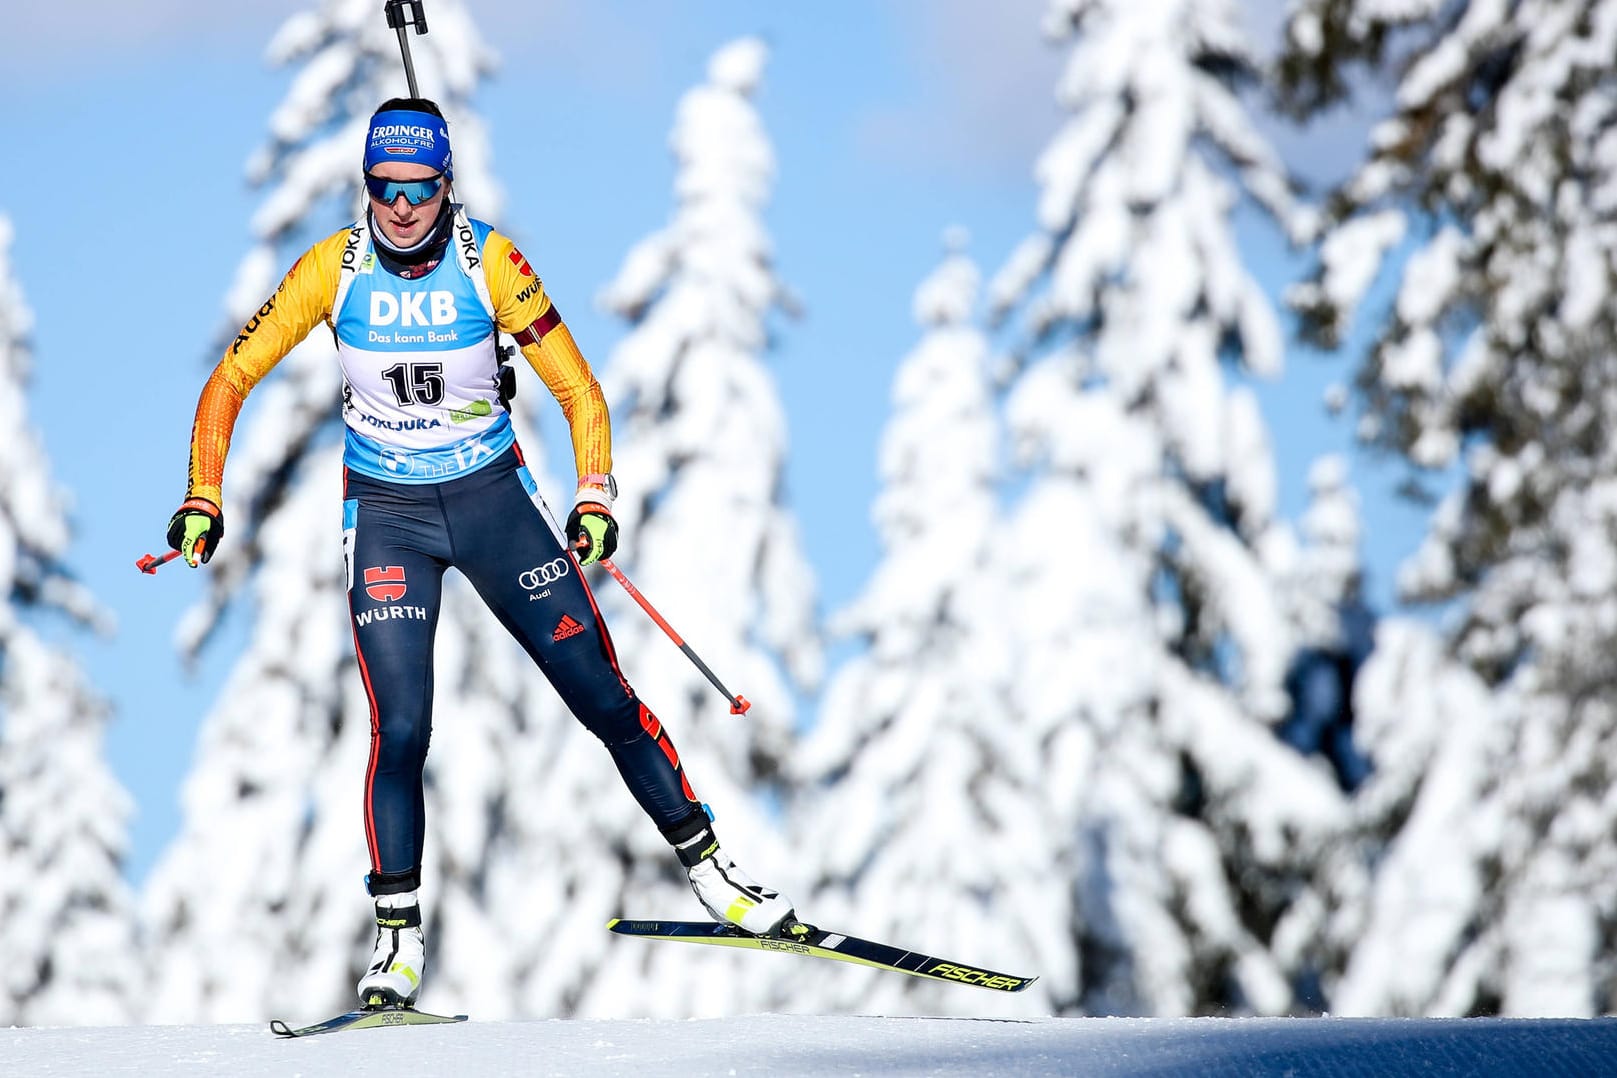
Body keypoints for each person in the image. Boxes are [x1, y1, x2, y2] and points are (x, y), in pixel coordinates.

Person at [166, 97, 799, 1009]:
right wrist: (202, 495)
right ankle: (396, 941)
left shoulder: (487, 261)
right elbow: (230, 379)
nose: (400, 209)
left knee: (601, 694)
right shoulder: (331, 271)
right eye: (383, 189)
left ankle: (711, 870)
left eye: (419, 189)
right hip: (388, 515)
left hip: (492, 502)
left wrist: (593, 496)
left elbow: (579, 388)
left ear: (446, 187)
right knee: (403, 728)